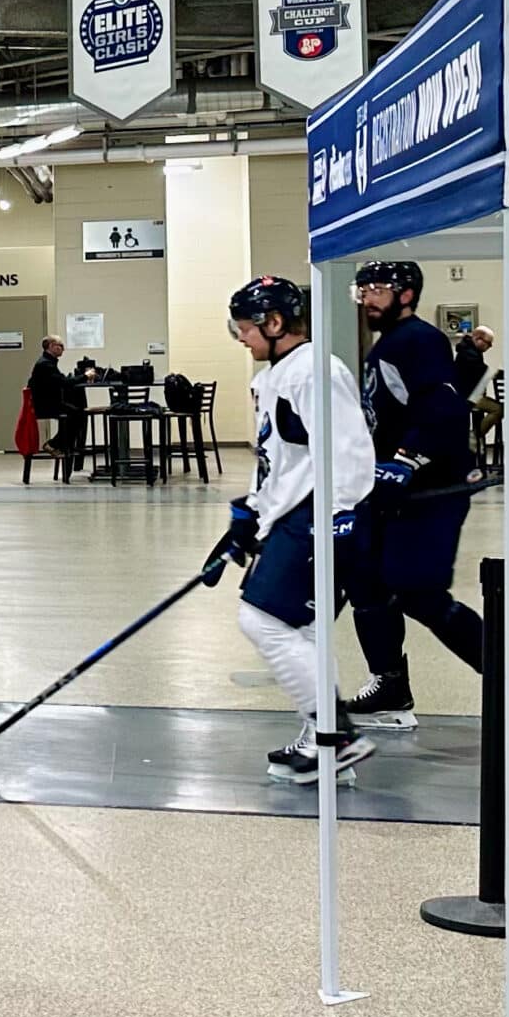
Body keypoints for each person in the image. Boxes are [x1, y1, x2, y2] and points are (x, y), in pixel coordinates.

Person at [208, 276, 377, 783]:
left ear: (275, 323)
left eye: (245, 328)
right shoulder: (276, 376)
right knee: (301, 630)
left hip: (316, 517)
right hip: (291, 514)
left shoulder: (314, 371)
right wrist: (249, 517)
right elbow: (277, 458)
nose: (241, 338)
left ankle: (336, 735)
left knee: (261, 620)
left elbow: (348, 449)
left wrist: (338, 517)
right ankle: (321, 741)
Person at [339, 261, 487, 729]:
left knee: (418, 591)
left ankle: (508, 673)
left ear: (406, 294)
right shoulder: (389, 344)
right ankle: (390, 687)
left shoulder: (418, 339)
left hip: (432, 489)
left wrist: (407, 459)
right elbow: (434, 393)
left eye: (378, 289)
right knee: (366, 581)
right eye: (363, 290)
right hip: (390, 490)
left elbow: (443, 410)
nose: (367, 298)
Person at [28, 337, 77, 460]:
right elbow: (63, 382)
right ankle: (55, 445)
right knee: (76, 414)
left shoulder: (48, 362)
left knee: (74, 413)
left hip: (48, 403)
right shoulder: (45, 364)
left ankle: (60, 445)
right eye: (60, 345)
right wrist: (85, 376)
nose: (63, 349)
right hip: (44, 405)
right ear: (50, 346)